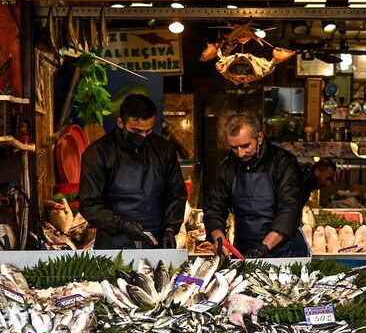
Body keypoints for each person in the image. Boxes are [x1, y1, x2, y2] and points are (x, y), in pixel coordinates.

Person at [77, 94, 187, 249]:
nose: (142, 137)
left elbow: (177, 194)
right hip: (113, 242)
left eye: (148, 131)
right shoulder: (98, 153)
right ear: (121, 122)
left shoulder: (164, 149)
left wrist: (170, 228)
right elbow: (89, 203)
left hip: (156, 239)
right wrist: (121, 225)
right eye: (136, 131)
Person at [204, 112, 308, 258]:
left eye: (245, 146)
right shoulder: (226, 168)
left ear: (259, 138)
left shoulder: (283, 163)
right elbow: (214, 209)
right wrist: (219, 239)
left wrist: (265, 246)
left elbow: (289, 209)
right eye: (234, 148)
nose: (240, 153)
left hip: (285, 252)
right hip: (244, 250)